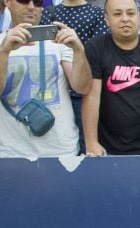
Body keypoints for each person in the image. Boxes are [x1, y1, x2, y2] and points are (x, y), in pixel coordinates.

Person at [0, 0, 91, 159]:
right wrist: (4, 51)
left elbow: (82, 87)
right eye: (24, 0)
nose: (32, 6)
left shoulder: (58, 40)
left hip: (62, 148)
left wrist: (79, 50)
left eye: (39, 2)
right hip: (13, 151)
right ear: (7, 2)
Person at [82, 0, 140, 156]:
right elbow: (91, 97)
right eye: (117, 14)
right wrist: (91, 142)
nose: (125, 18)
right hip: (107, 150)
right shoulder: (95, 48)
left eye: (131, 13)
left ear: (138, 16)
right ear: (106, 19)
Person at [40, 0, 108, 155]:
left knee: (87, 146)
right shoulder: (48, 12)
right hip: (55, 94)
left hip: (86, 92)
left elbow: (100, 53)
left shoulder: (97, 14)